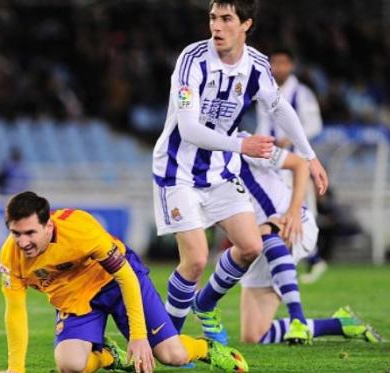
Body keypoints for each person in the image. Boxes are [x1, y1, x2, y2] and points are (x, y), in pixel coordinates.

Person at [152, 0, 328, 344]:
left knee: (249, 246)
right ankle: (168, 343)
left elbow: (281, 109)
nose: (216, 26)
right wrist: (240, 147)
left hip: (219, 171)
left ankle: (205, 306)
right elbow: (188, 129)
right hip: (178, 171)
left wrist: (309, 156)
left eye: (226, 19)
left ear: (245, 24)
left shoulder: (257, 65)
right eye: (213, 18)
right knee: (196, 260)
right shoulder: (192, 60)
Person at [0, 191, 248, 373]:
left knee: (172, 355)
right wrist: (15, 369)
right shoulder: (10, 256)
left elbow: (125, 276)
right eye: (15, 233)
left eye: (30, 233)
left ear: (48, 225)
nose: (22, 242)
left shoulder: (80, 229)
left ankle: (206, 349)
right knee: (70, 365)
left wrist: (138, 338)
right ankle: (109, 357)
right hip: (76, 299)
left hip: (116, 281)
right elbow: (15, 311)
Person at [236, 144, 381, 344]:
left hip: (291, 223)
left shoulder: (240, 143)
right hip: (255, 240)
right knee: (254, 336)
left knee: (270, 233)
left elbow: (299, 164)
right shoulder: (188, 168)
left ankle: (298, 318)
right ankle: (341, 323)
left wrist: (292, 212)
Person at [254, 48, 326, 281]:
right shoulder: (264, 90)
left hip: (298, 164)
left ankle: (312, 258)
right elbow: (263, 125)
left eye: (283, 63)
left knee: (304, 210)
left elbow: (315, 124)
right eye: (275, 63)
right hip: (275, 163)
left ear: (291, 65)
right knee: (279, 210)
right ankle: (297, 260)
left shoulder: (302, 93)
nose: (279, 68)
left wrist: (291, 138)